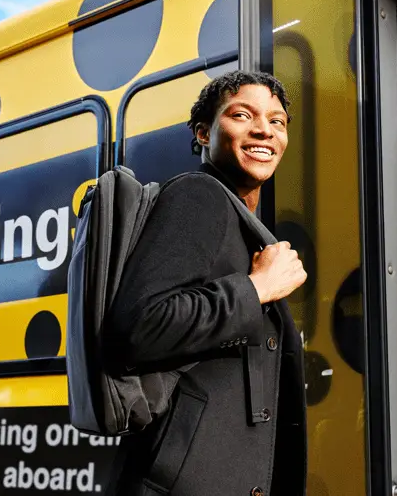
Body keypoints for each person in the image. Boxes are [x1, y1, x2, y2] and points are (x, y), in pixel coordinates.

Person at [105, 70, 309, 496]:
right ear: (204, 132)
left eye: (277, 121)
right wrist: (256, 289)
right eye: (242, 115)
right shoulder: (198, 195)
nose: (263, 130)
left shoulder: (240, 220)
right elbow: (140, 326)